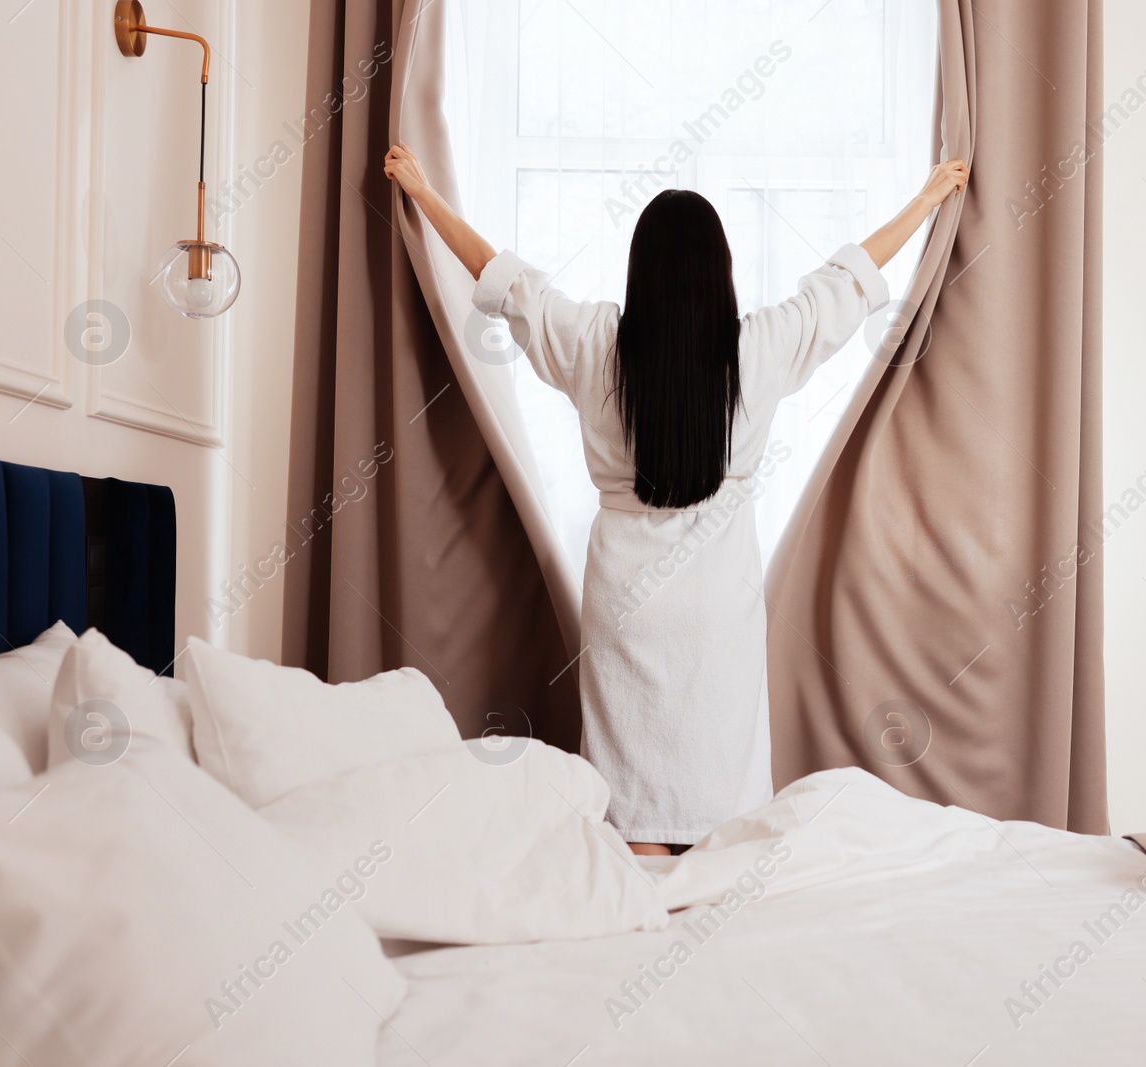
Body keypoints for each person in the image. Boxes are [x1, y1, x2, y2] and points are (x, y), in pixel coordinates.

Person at [385, 144, 968, 854]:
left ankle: (636, 885)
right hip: (718, 600)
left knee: (633, 811)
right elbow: (848, 278)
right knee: (721, 809)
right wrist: (928, 198)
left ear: (643, 274)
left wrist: (421, 189)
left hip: (626, 597)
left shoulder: (595, 341)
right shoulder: (760, 347)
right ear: (719, 274)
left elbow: (502, 277)